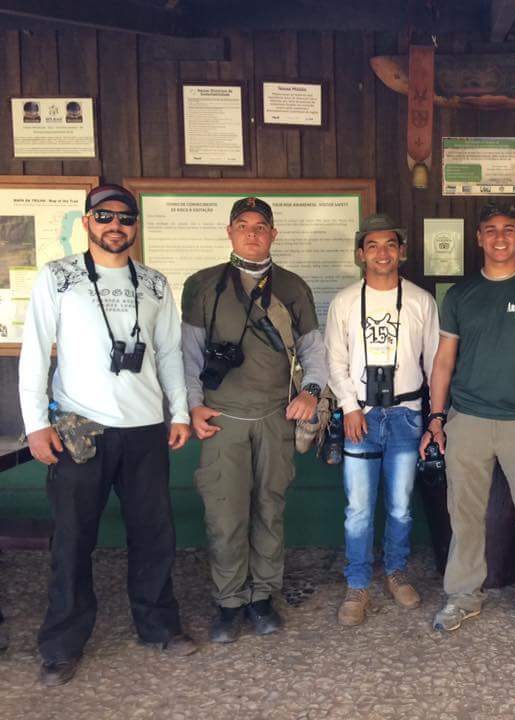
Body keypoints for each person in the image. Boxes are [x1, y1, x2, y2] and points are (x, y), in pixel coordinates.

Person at [19, 183, 196, 687]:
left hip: (143, 430)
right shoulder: (58, 278)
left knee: (154, 536)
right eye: (104, 216)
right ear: (87, 222)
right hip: (80, 429)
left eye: (125, 217)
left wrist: (178, 413)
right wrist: (35, 425)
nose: (115, 225)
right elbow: (35, 352)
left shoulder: (156, 284)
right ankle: (61, 645)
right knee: (72, 542)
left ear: (135, 225)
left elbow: (167, 354)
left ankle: (159, 625)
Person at [181, 197, 327, 643]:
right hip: (222, 418)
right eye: (242, 225)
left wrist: (311, 391)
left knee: (270, 509)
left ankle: (262, 596)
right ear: (229, 232)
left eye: (260, 226)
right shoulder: (203, 285)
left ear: (273, 234)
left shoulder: (293, 287)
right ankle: (229, 602)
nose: (251, 233)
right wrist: (192, 403)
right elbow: (187, 352)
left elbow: (314, 352)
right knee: (225, 515)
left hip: (275, 417)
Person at [421, 202, 515, 640]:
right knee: (463, 514)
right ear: (479, 239)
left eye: (508, 230)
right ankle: (463, 595)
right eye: (490, 231)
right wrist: (436, 417)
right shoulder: (461, 294)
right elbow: (444, 362)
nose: (500, 238)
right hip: (467, 420)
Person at [324, 214, 439, 626]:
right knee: (358, 508)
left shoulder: (421, 301)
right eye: (372, 245)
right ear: (360, 254)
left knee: (401, 506)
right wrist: (349, 406)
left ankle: (395, 571)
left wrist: (433, 417)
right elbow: (334, 360)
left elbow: (434, 362)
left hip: (406, 415)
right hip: (362, 415)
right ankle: (357, 583)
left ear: (402, 251)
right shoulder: (344, 301)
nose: (382, 253)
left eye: (390, 244)